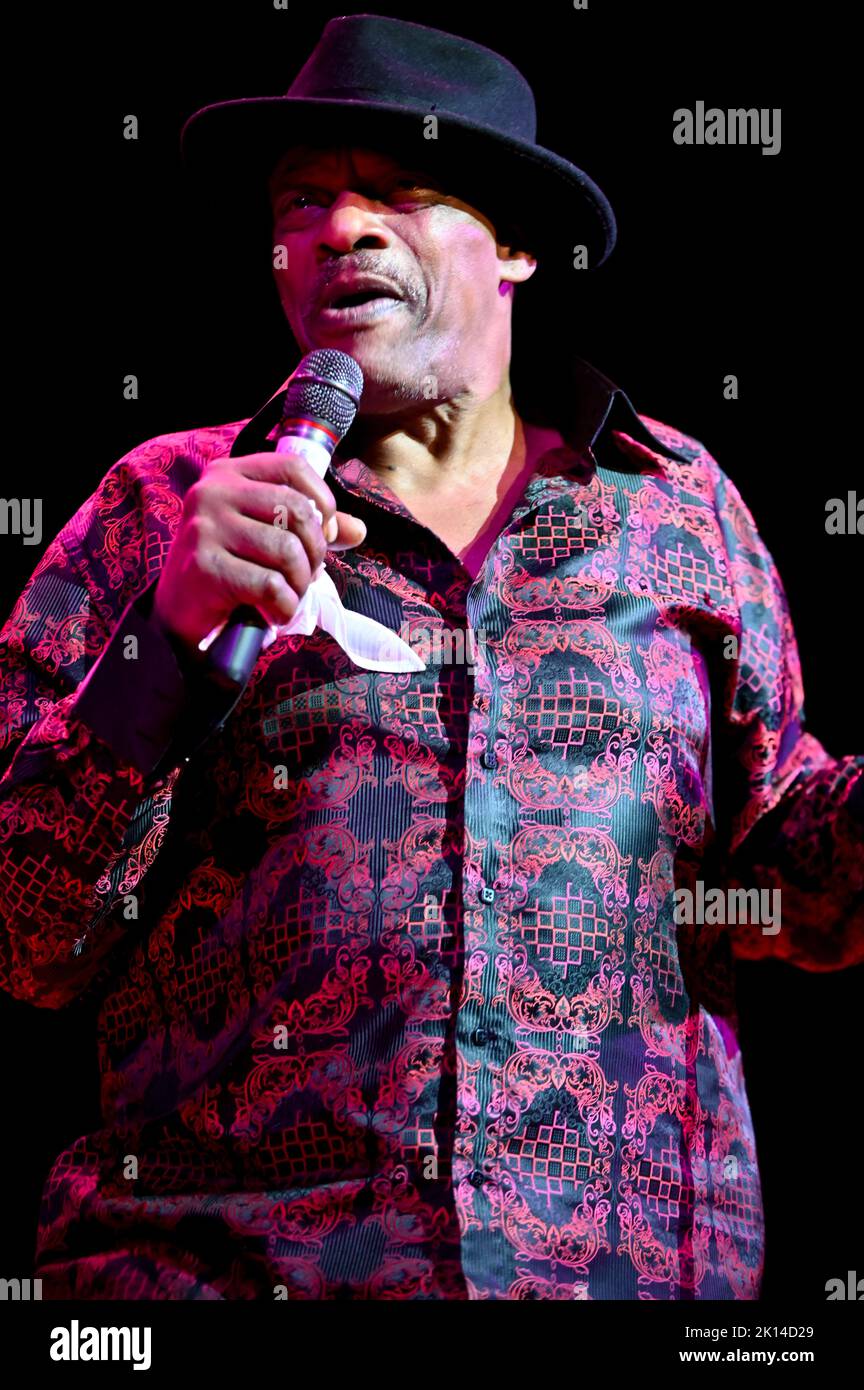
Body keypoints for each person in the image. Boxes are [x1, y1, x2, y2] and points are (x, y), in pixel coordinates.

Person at [0, 14, 861, 1301]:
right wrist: (163, 642)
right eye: (305, 199)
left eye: (399, 190)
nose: (342, 226)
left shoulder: (679, 509)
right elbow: (26, 939)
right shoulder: (162, 501)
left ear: (513, 243)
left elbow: (786, 882)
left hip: (621, 1280)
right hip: (218, 1275)